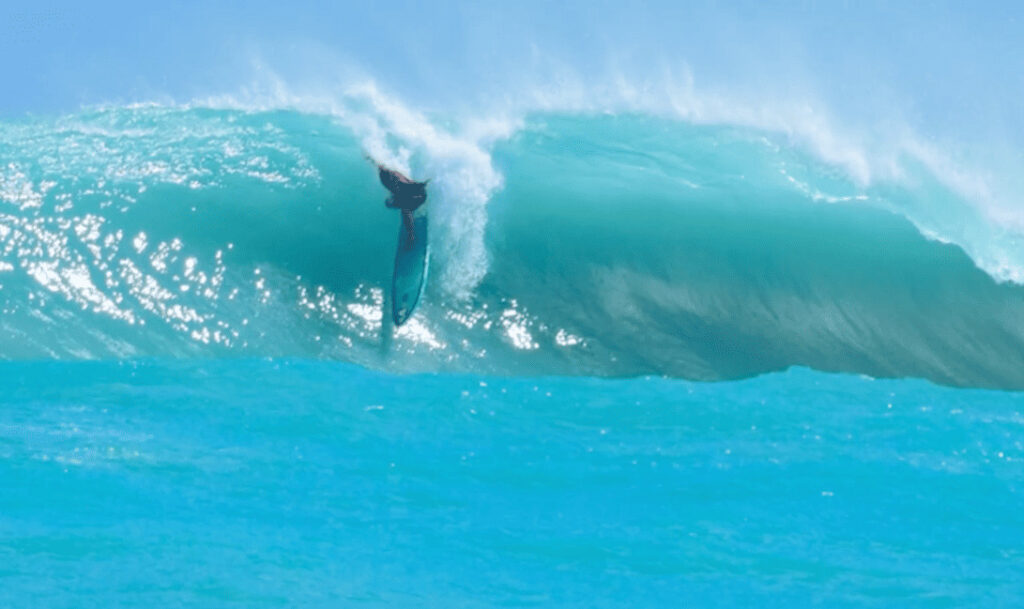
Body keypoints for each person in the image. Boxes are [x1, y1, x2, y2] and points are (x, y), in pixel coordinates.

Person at [377, 164, 428, 244]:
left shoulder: (397, 181)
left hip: (419, 196)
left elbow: (408, 185)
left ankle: (411, 235)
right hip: (410, 194)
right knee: (395, 203)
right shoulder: (388, 178)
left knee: (405, 209)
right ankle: (411, 232)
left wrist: (421, 185)